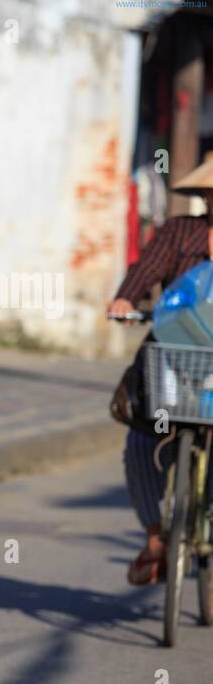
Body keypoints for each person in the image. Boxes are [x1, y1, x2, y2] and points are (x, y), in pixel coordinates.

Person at [106, 157, 213, 584]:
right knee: (142, 436)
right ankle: (155, 536)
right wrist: (126, 300)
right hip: (176, 355)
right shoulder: (180, 231)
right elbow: (146, 270)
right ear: (205, 196)